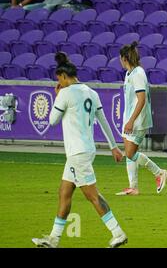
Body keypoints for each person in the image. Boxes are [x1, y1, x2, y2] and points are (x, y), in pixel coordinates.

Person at [32, 52, 127, 248]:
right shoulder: (91, 93)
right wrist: (114, 147)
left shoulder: (65, 93)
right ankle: (54, 239)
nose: (59, 83)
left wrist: (57, 96)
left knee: (92, 195)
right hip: (86, 150)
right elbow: (103, 121)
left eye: (59, 80)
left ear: (64, 77)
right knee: (64, 192)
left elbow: (52, 121)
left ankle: (118, 233)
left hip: (77, 153)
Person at [115, 42, 167, 196]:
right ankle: (133, 187)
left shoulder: (138, 73)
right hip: (130, 118)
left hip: (138, 120)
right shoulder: (129, 73)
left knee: (131, 153)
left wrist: (131, 120)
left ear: (124, 58)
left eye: (120, 58)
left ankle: (159, 173)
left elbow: (142, 99)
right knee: (129, 153)